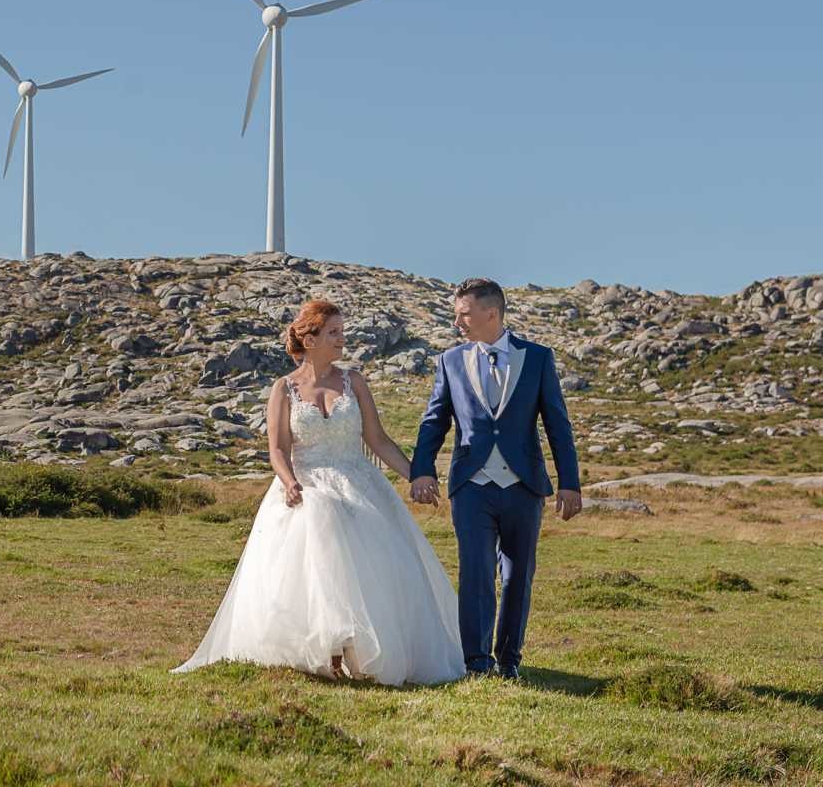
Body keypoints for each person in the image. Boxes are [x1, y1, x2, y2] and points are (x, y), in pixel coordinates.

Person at [173, 300, 465, 685]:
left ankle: (364, 652)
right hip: (306, 483)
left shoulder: (353, 381)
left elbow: (377, 439)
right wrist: (290, 480)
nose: (342, 340)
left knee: (377, 563)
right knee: (320, 527)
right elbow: (277, 448)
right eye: (334, 333)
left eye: (342, 332)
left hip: (358, 482)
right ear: (309, 339)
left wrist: (417, 475)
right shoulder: (283, 389)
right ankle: (325, 648)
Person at [409, 278, 582, 680]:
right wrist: (422, 470)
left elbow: (558, 424)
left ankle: (509, 661)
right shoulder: (450, 361)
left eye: (463, 314)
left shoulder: (538, 358)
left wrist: (569, 482)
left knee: (518, 575)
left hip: (524, 486)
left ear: (491, 313)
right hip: (471, 486)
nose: (457, 322)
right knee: (475, 572)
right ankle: (477, 663)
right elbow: (434, 421)